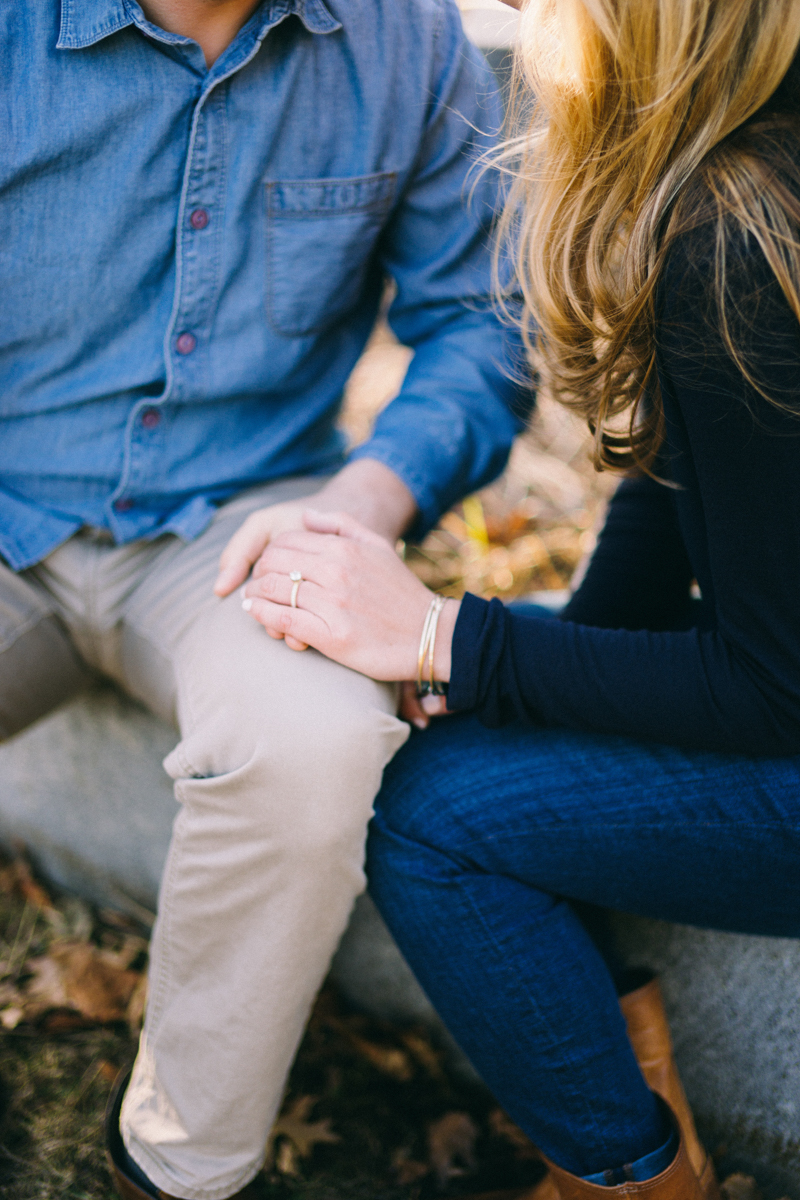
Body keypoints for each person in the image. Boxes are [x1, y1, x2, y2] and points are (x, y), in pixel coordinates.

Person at [241, 0, 800, 1195]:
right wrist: (515, 678)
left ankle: (630, 1177)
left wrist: (448, 634)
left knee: (438, 820)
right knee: (467, 729)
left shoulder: (743, 235)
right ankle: (639, 1103)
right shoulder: (739, 167)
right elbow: (676, 482)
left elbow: (774, 685)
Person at [0, 1, 531, 1196]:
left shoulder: (406, 39)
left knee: (312, 739)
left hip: (249, 520)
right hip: (8, 501)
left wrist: (362, 507)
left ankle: (178, 1170)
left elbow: (480, 321)